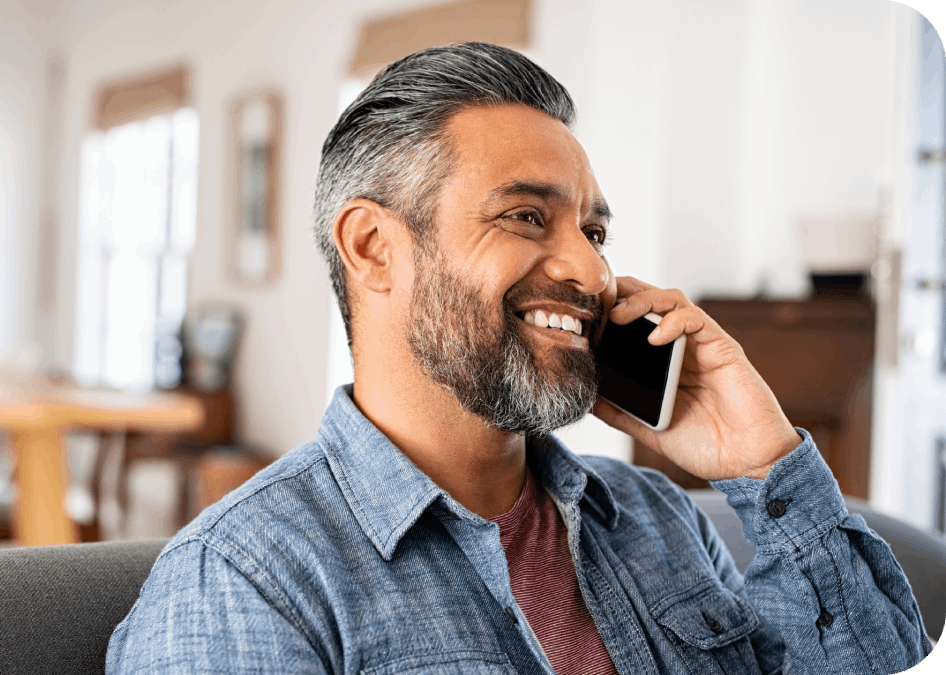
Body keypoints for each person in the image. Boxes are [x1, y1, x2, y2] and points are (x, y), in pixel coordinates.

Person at [106, 42, 932, 674]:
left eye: (594, 231)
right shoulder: (244, 583)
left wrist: (764, 465)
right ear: (373, 248)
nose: (591, 270)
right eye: (528, 218)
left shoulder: (658, 520)